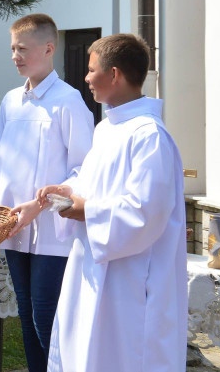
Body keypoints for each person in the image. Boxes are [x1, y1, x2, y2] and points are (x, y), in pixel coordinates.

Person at [35, 33, 186, 372]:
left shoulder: (149, 136)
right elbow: (96, 184)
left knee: (121, 356)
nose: (86, 78)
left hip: (129, 278)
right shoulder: (108, 129)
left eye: (91, 70)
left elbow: (146, 212)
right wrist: (67, 190)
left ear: (114, 74)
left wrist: (85, 209)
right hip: (93, 264)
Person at [0, 13, 94, 372]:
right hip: (14, 226)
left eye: (22, 48)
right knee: (26, 313)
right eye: (12, 49)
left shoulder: (68, 102)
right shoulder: (10, 101)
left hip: (53, 233)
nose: (15, 56)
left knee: (46, 315)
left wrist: (42, 205)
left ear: (49, 48)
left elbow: (83, 170)